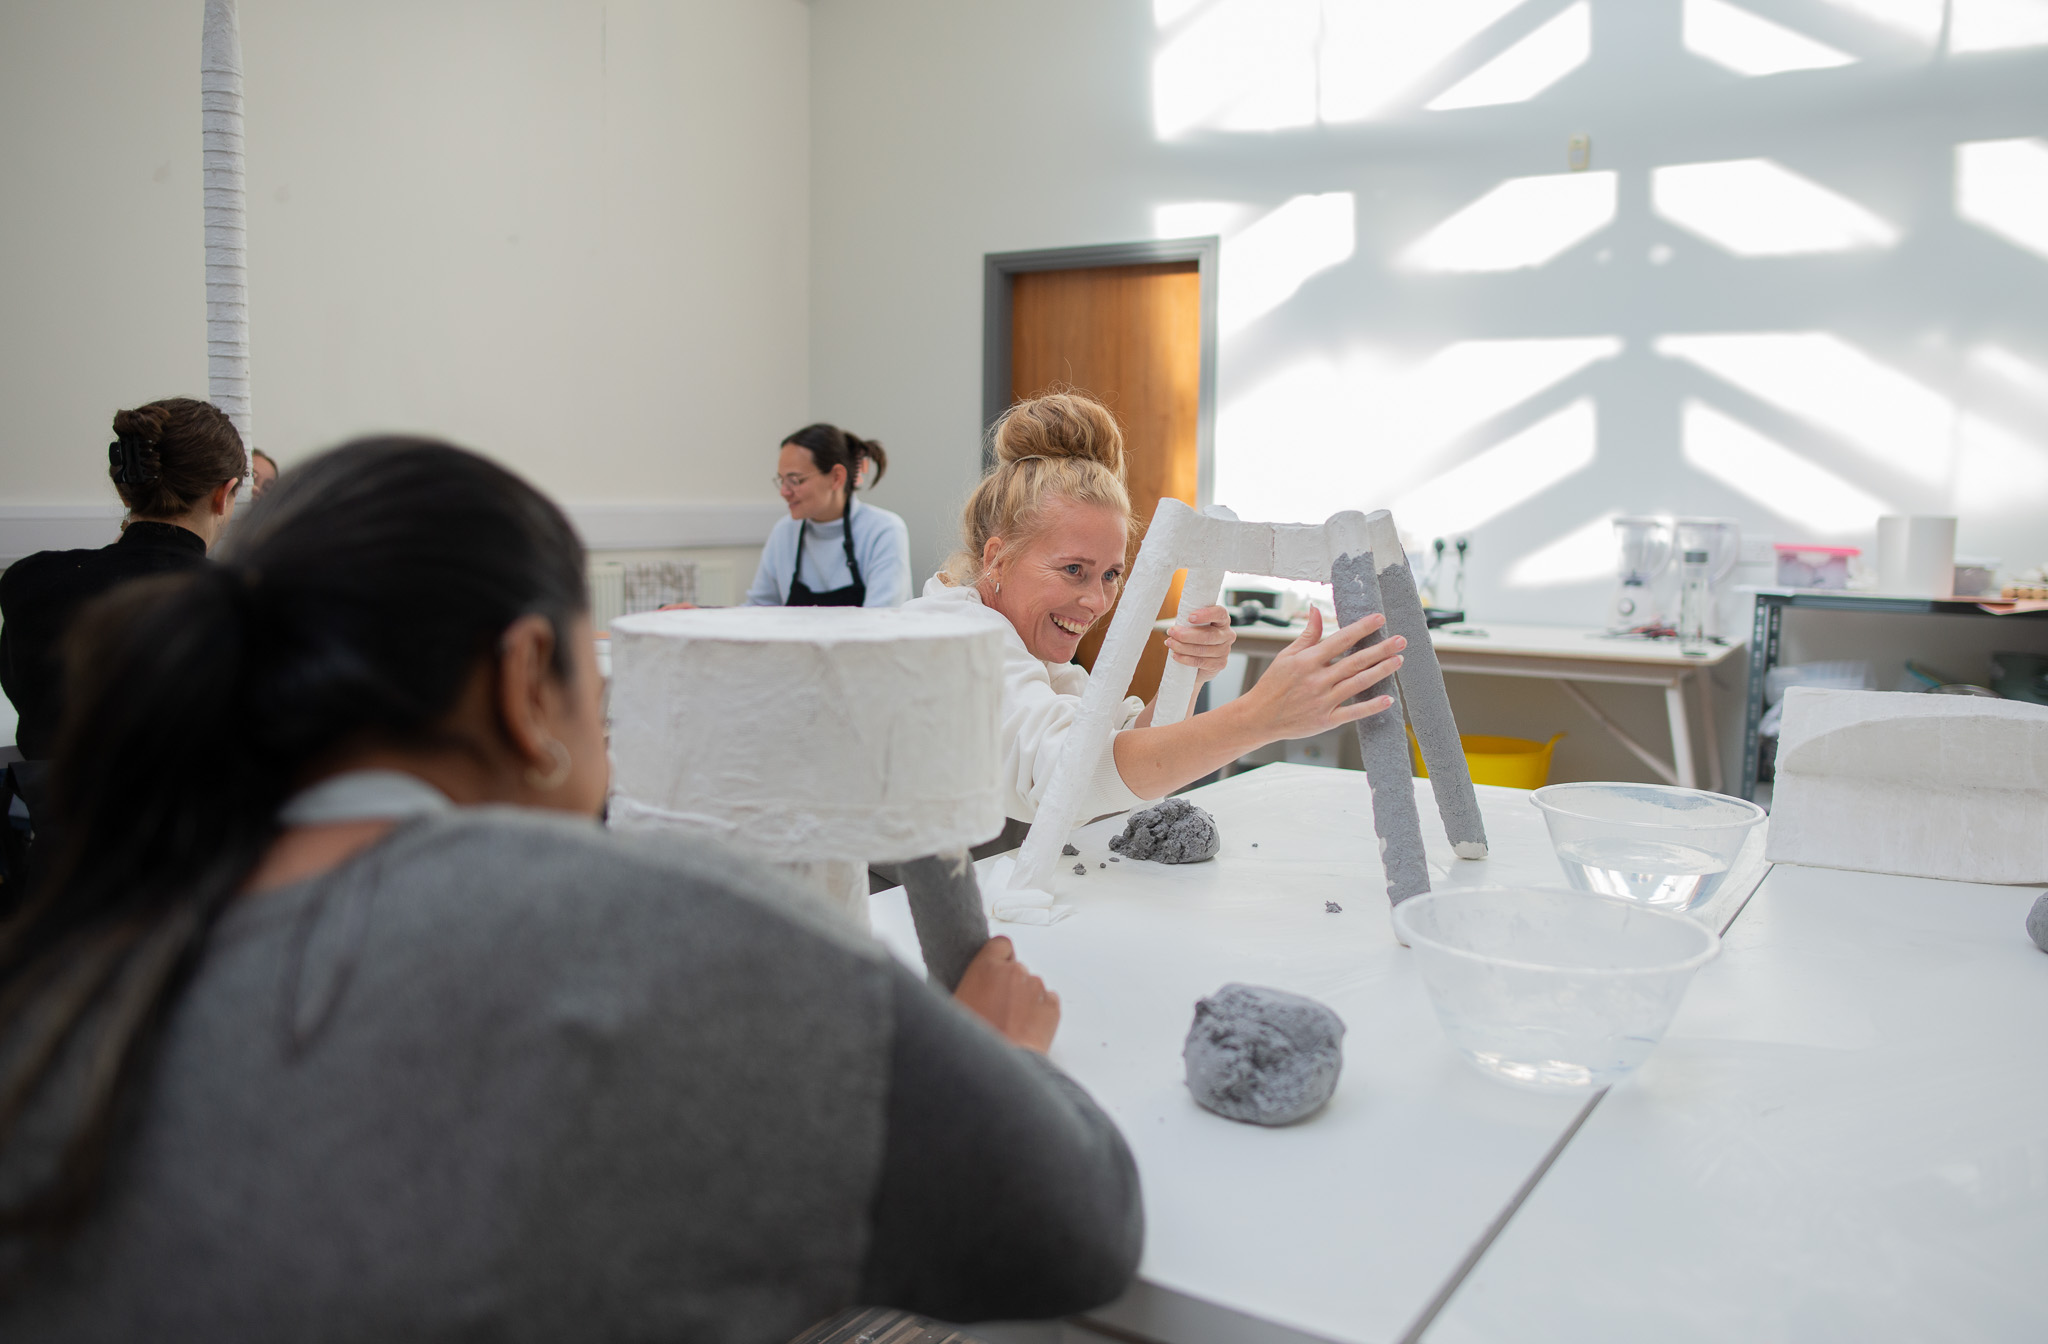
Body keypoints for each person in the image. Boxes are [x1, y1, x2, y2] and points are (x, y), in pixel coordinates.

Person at [0, 437, 1140, 1340]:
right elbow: (1067, 1227)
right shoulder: (663, 924)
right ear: (522, 680)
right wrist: (997, 1060)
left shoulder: (72, 959)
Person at [904, 392, 1407, 825]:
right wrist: (1261, 716)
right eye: (1073, 570)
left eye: (1110, 575)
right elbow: (1066, 779)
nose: (1096, 601)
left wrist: (1186, 674)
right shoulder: (956, 636)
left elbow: (1109, 747)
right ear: (997, 557)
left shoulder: (1022, 643)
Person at [0, 397, 245, 761]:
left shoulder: (30, 582)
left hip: (63, 814)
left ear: (124, 488)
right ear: (224, 495)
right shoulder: (244, 602)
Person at [744, 423, 912, 607]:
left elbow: (882, 619)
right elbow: (757, 611)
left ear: (836, 477)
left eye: (794, 480)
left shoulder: (883, 531)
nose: (784, 492)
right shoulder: (784, 532)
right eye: (782, 480)